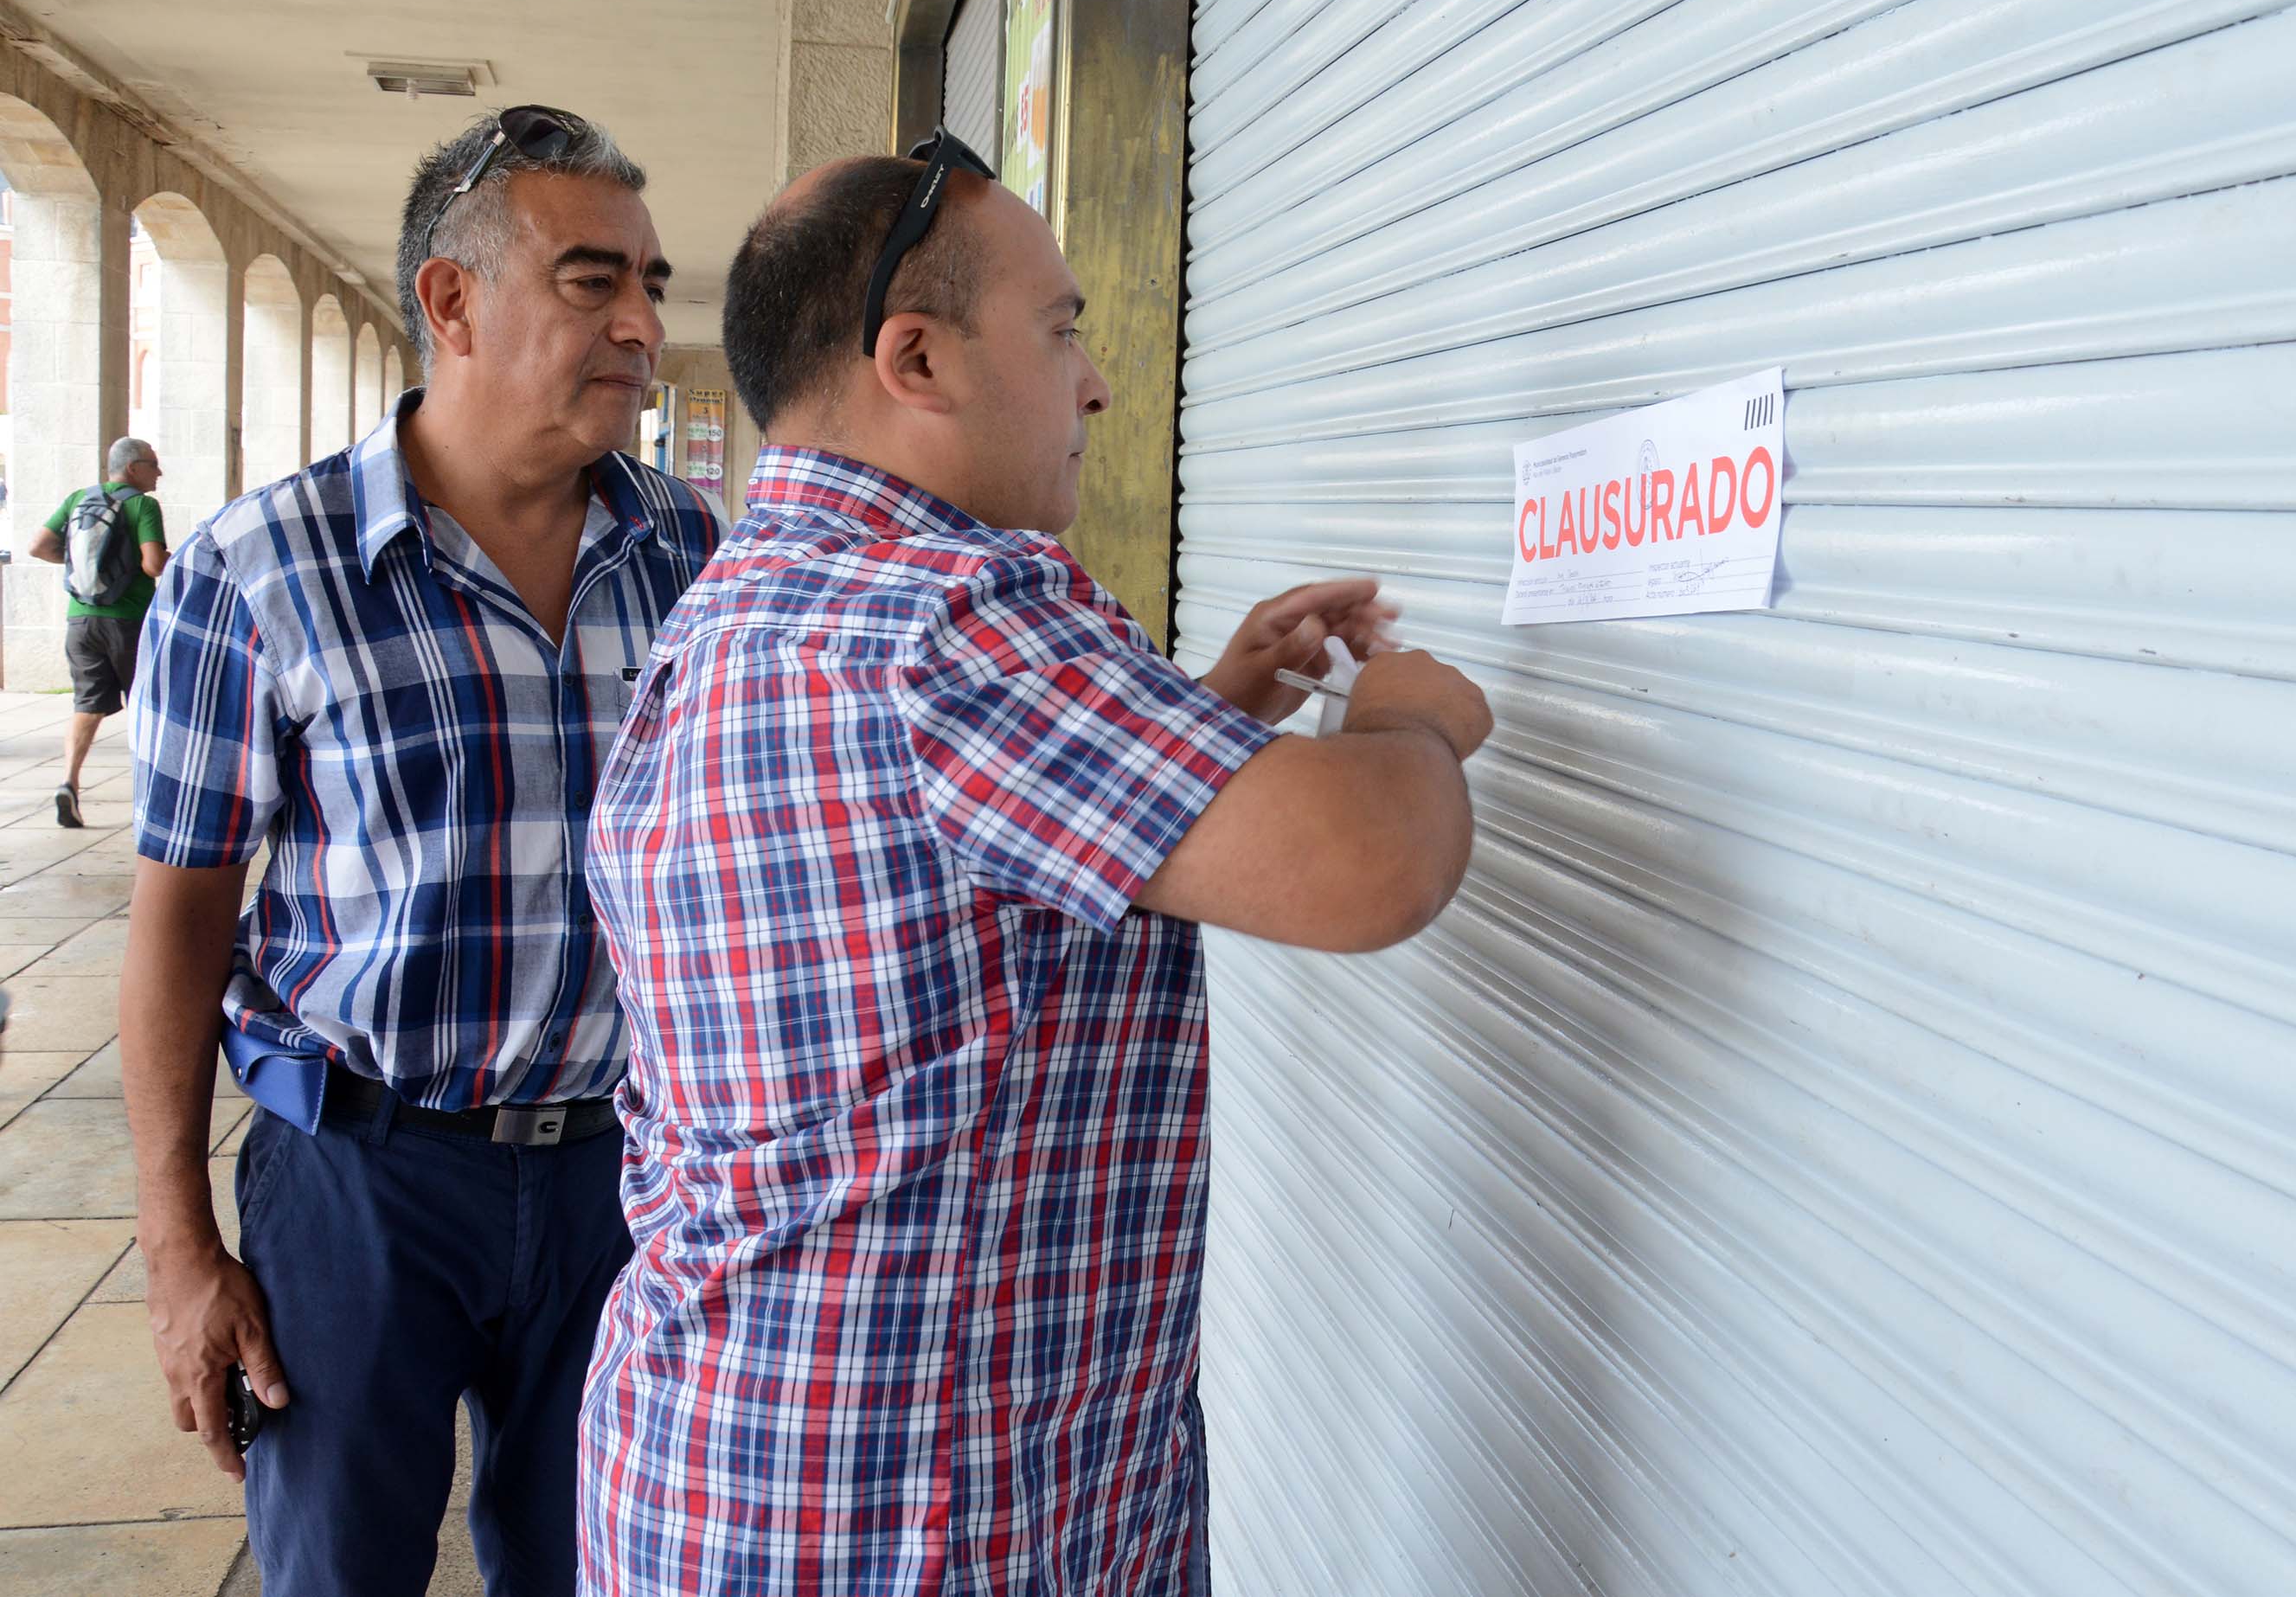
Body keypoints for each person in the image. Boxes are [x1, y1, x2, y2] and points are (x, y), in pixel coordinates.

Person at [578, 138, 1494, 1595]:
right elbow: (1371, 863)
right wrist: (1407, 722)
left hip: (744, 1472)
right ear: (917, 359)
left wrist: (1220, 704)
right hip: (909, 1519)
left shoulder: (755, 606)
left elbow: (958, 894)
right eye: (1060, 327)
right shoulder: (944, 619)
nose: (1095, 381)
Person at [117, 106, 721, 1597]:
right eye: (595, 282)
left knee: (603, 1563)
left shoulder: (694, 556)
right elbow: (180, 925)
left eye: (650, 281)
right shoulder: (258, 572)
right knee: (340, 1567)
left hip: (622, 1176)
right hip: (358, 1178)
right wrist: (181, 1250)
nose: (644, 323)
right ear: (450, 301)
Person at [28, 435, 166, 827]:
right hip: (127, 620)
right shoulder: (143, 505)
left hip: (80, 619)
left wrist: (86, 571)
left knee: (87, 705)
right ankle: (152, 793)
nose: (159, 472)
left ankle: (69, 782)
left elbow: (38, 545)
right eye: (153, 464)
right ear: (133, 468)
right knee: (147, 702)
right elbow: (153, 565)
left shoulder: (78, 499)